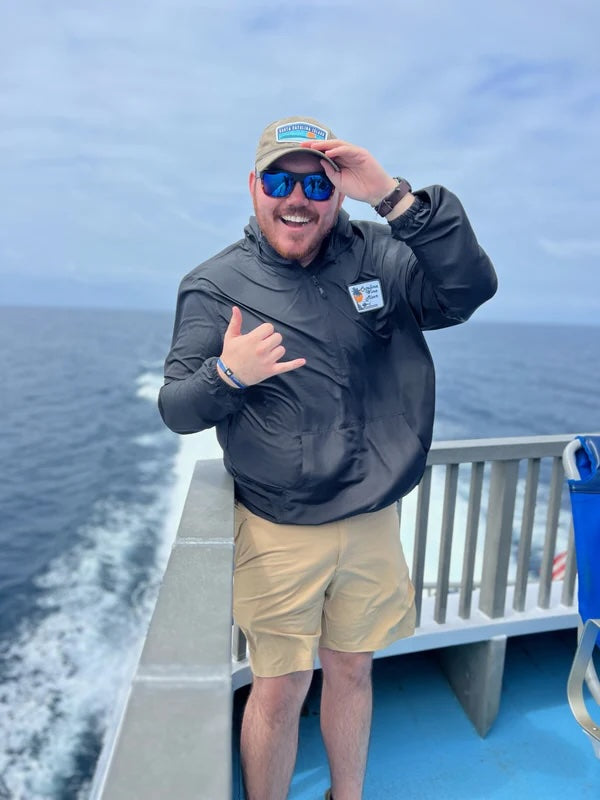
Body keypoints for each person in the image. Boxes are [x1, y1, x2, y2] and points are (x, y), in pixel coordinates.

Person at [159, 116, 497, 800]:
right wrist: (228, 375)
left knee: (353, 670)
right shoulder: (215, 284)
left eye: (317, 184)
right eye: (280, 182)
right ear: (254, 187)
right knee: (280, 688)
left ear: (339, 191)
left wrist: (394, 198)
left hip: (372, 521)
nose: (298, 199)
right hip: (278, 530)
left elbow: (467, 290)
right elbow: (177, 408)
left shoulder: (382, 254)